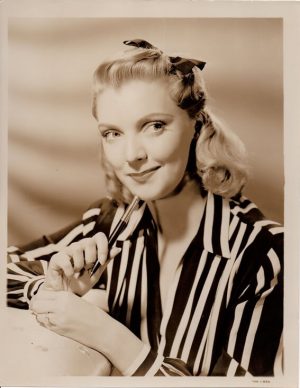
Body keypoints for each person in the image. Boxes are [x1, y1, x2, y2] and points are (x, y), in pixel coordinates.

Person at [7, 39, 283, 377]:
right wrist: (53, 288)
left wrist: (105, 333)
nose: (131, 155)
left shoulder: (265, 254)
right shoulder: (109, 221)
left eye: (154, 126)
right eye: (112, 133)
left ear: (196, 123)